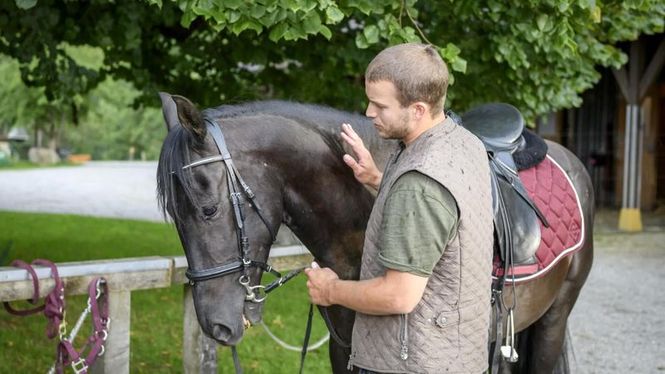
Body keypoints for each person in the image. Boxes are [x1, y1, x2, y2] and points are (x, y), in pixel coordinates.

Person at [305, 43, 494, 373]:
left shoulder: (419, 184)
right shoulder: (462, 142)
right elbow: (441, 215)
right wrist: (377, 179)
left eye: (380, 106)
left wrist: (330, 289)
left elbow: (398, 296)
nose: (368, 113)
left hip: (408, 363)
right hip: (455, 355)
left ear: (418, 109)